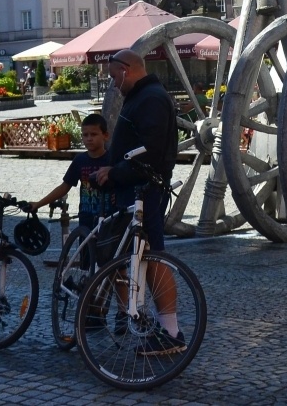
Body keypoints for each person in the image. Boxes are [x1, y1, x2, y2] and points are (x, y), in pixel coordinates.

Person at [92, 50, 184, 356]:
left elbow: (151, 153)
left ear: (127, 69)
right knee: (144, 257)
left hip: (146, 190)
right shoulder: (144, 96)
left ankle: (171, 332)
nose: (112, 84)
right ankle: (163, 327)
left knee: (155, 257)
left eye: (112, 76)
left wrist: (116, 171)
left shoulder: (152, 98)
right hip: (136, 189)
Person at [31, 113, 116, 236]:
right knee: (86, 253)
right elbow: (64, 187)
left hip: (110, 218)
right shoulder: (80, 160)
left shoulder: (112, 159)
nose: (89, 138)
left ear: (105, 136)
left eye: (94, 134)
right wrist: (39, 203)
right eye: (85, 135)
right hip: (86, 219)